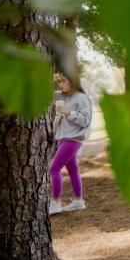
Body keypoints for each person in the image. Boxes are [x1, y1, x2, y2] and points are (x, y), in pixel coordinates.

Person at [48, 71, 93, 214]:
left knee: (54, 169)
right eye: (59, 81)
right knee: (73, 170)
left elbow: (85, 120)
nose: (60, 84)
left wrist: (68, 112)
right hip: (62, 137)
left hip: (73, 139)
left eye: (63, 81)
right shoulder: (63, 97)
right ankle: (79, 201)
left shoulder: (81, 97)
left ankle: (55, 203)